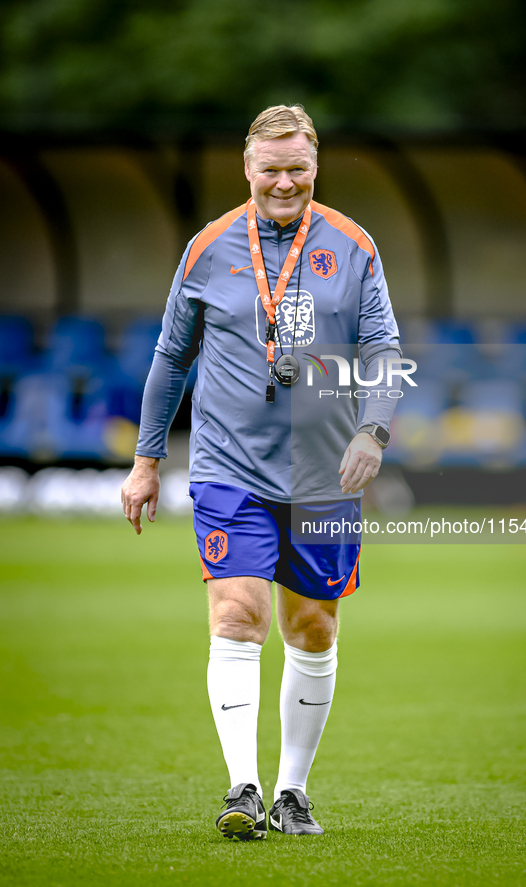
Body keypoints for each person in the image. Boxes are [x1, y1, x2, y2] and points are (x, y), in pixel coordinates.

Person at [121, 105, 401, 840]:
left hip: (322, 473)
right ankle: (242, 786)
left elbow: (381, 351)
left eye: (297, 168)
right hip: (228, 467)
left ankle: (291, 791)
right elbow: (169, 358)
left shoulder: (352, 245)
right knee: (236, 614)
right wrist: (147, 460)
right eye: (270, 168)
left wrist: (372, 430)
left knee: (311, 627)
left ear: (316, 166)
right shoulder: (209, 247)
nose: (284, 181)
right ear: (247, 169)